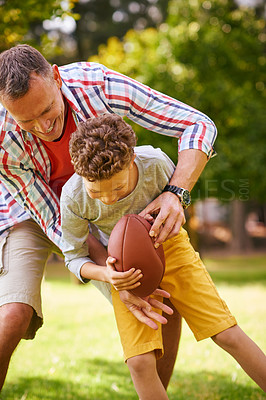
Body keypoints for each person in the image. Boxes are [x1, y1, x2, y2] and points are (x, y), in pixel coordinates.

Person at [0, 44, 216, 391]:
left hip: (104, 206)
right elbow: (55, 219)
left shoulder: (97, 84)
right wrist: (111, 274)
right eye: (27, 121)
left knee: (160, 291)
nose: (43, 127)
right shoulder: (2, 138)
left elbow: (196, 124)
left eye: (47, 110)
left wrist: (176, 193)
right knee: (11, 317)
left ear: (56, 77)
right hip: (29, 213)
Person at [61, 114, 266, 398]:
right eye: (95, 191)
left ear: (132, 159)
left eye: (118, 188)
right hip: (121, 267)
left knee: (226, 333)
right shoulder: (72, 196)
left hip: (172, 246)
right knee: (140, 361)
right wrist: (107, 275)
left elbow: (177, 202)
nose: (108, 199)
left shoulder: (155, 164)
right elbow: (73, 256)